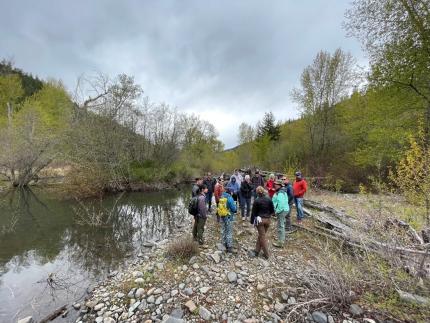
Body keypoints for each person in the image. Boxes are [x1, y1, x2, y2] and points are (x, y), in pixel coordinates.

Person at [249, 186, 275, 259]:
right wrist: (269, 215)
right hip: (268, 220)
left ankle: (267, 255)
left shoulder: (256, 201)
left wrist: (251, 222)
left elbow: (253, 213)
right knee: (261, 236)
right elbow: (273, 211)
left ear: (257, 193)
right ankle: (256, 251)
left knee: (262, 237)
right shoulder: (269, 199)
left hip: (260, 221)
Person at [217, 184, 237, 253]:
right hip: (229, 217)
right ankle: (229, 247)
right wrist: (235, 206)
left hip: (222, 216)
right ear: (230, 192)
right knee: (229, 231)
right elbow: (234, 209)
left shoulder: (222, 196)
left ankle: (223, 243)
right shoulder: (230, 198)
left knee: (223, 229)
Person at [272, 180, 290, 247]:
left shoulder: (280, 193)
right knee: (281, 225)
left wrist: (276, 211)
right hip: (284, 210)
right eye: (275, 184)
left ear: (280, 185)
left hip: (282, 211)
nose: (275, 185)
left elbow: (281, 204)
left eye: (276, 184)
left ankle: (280, 243)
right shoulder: (281, 191)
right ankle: (281, 238)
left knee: (280, 226)